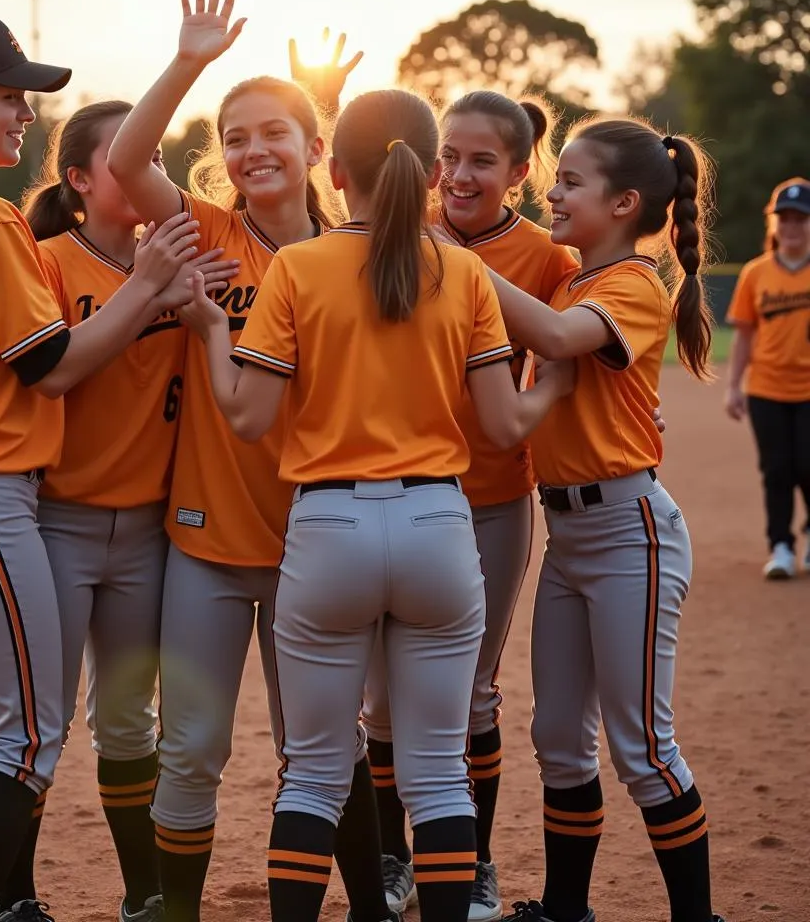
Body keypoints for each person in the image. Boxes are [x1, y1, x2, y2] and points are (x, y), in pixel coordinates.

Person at [177, 87, 575, 922]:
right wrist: (557, 379)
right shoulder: (464, 270)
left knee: (316, 769)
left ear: (338, 169)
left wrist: (215, 333)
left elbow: (248, 418)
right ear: (431, 172)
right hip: (438, 524)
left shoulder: (297, 267)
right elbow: (504, 425)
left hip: (326, 530)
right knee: (437, 772)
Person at [0, 6, 216, 922]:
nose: (23, 114)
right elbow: (52, 368)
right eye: (6, 97)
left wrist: (141, 295)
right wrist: (147, 286)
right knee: (24, 741)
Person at [107, 0, 393, 922]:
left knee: (323, 745)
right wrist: (192, 61)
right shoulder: (209, 234)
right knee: (191, 744)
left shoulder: (355, 248)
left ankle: (365, 902)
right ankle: (178, 909)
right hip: (209, 540)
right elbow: (126, 154)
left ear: (320, 148)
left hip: (319, 539)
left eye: (276, 132)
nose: (251, 149)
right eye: (235, 138)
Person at [0, 100, 237, 922]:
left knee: (131, 722)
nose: (151, 171)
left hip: (147, 531)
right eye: (130, 159)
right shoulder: (48, 260)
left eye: (161, 157)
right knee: (38, 723)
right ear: (79, 180)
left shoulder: (182, 259)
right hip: (55, 521)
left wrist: (201, 307)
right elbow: (57, 369)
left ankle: (145, 895)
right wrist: (151, 291)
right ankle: (15, 895)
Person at [484, 118, 726, 922]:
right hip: (567, 536)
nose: (551, 192)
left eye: (571, 183)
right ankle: (565, 909)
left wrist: (453, 262)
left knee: (644, 750)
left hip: (631, 532)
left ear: (625, 203)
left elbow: (554, 339)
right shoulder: (569, 280)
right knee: (557, 736)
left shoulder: (633, 283)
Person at [359, 91, 576, 921]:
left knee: (472, 693)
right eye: (447, 155)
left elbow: (580, 349)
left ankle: (472, 860)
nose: (456, 174)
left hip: (487, 494)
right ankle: (388, 857)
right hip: (388, 489)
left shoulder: (544, 257)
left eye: (483, 160)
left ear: (521, 173)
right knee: (378, 698)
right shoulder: (393, 230)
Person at [725, 177, 810, 579]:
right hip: (767, 389)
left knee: (808, 465)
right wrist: (733, 387)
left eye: (800, 219)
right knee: (776, 469)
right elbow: (744, 336)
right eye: (785, 218)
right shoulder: (756, 274)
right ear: (774, 224)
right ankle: (780, 546)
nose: (792, 226)